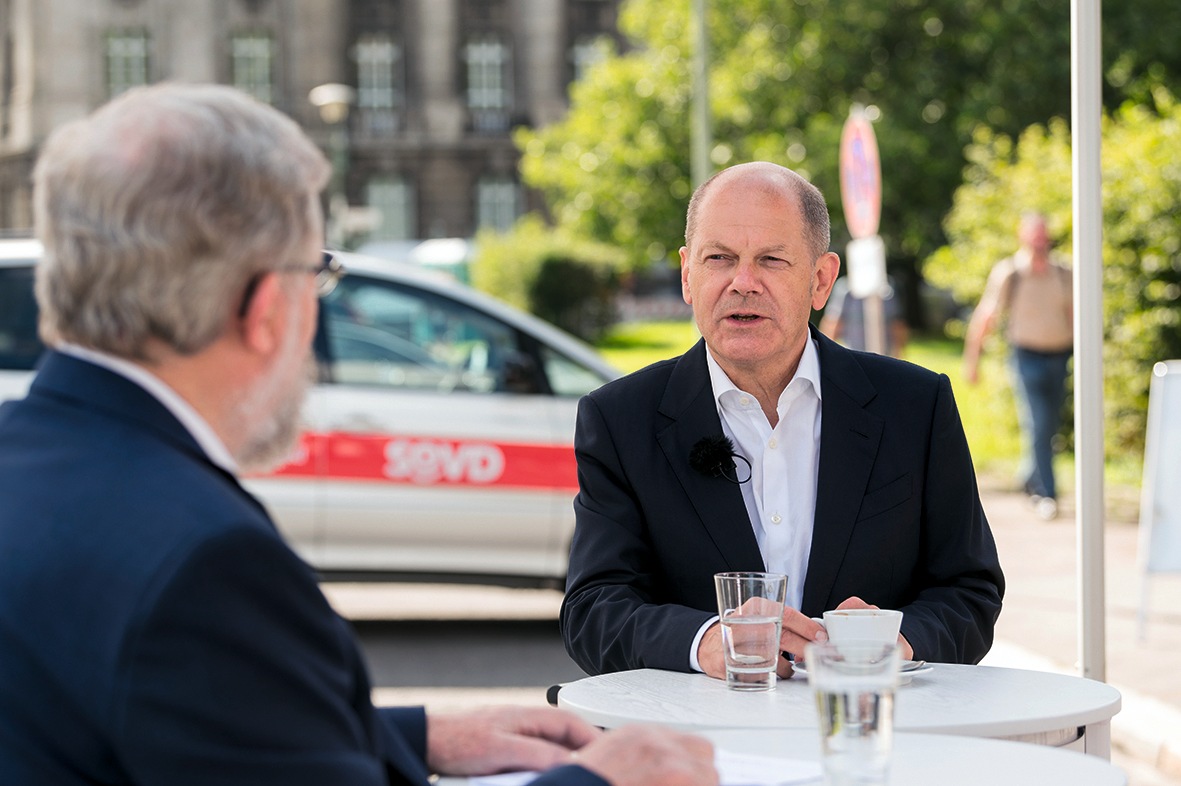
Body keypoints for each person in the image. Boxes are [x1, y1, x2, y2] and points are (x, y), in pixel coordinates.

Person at [0, 83, 716, 786]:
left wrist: (412, 735)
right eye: (318, 274)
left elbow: (174, 719)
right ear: (264, 309)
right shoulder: (207, 561)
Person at [560, 162, 1004, 680]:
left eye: (771, 260)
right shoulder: (619, 419)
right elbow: (593, 610)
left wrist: (894, 641)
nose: (742, 283)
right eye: (719, 258)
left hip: (870, 731)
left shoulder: (915, 407)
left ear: (821, 280)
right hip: (701, 741)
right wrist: (707, 644)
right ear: (687, 274)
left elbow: (969, 591)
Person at [962, 212, 1073, 521]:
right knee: (1038, 423)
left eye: (1043, 235)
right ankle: (1046, 493)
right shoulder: (1010, 272)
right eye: (1033, 235)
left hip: (1060, 356)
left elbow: (1075, 314)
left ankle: (1028, 475)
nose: (1039, 241)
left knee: (1049, 425)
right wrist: (973, 360)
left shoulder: (1064, 272)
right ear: (1022, 236)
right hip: (1027, 356)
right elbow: (987, 315)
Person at [817, 275, 908, 357]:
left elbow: (897, 325)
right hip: (854, 357)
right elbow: (832, 323)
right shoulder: (845, 289)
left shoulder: (888, 289)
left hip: (884, 356)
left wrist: (898, 354)